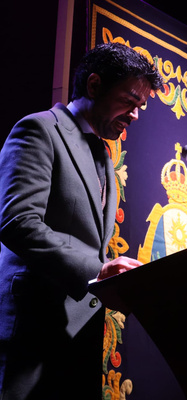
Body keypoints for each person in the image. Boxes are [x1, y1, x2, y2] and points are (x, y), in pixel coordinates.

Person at [0, 42, 164, 400]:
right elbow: (17, 221)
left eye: (141, 106)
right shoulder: (39, 129)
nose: (136, 115)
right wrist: (98, 270)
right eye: (130, 101)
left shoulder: (104, 154)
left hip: (80, 335)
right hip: (32, 329)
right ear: (94, 85)